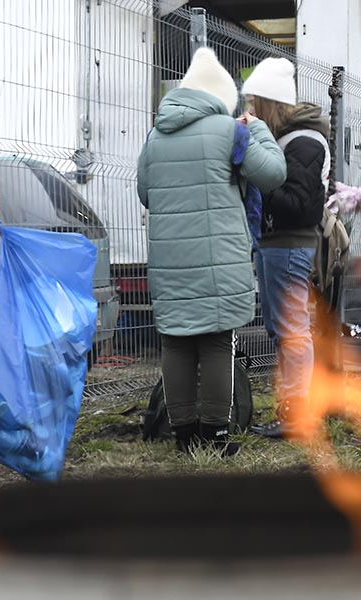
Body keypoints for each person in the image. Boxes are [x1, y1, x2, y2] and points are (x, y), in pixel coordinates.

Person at [136, 48, 286, 455]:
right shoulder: (229, 130)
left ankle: (184, 437)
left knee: (177, 343)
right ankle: (215, 436)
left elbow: (145, 193)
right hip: (219, 260)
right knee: (217, 342)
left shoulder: (156, 135)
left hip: (169, 262)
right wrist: (256, 130)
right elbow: (273, 173)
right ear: (220, 96)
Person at [239, 57, 331, 439]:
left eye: (254, 103)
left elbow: (300, 205)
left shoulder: (304, 142)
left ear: (269, 104)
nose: (248, 111)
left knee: (291, 329)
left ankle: (298, 413)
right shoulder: (291, 139)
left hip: (289, 243)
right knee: (284, 328)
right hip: (276, 243)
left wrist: (259, 174)